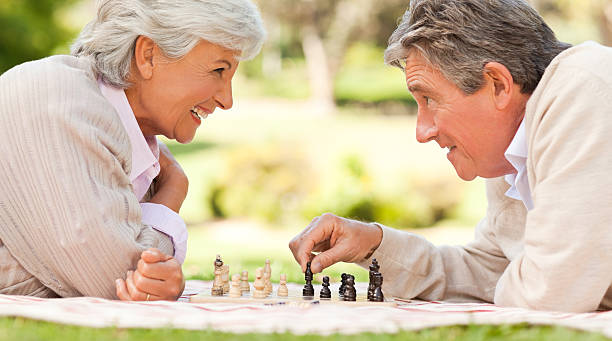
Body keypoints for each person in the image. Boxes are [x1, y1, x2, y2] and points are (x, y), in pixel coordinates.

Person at [289, 0, 612, 313]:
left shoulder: (584, 93)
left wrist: (528, 281)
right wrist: (374, 244)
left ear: (498, 85)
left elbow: (548, 295)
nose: (422, 131)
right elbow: (489, 272)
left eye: (429, 99)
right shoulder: (513, 143)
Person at [0, 0, 265, 301]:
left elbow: (134, 278)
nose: (227, 100)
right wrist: (173, 190)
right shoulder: (58, 100)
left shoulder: (135, 147)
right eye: (218, 70)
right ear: (148, 55)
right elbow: (117, 279)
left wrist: (157, 276)